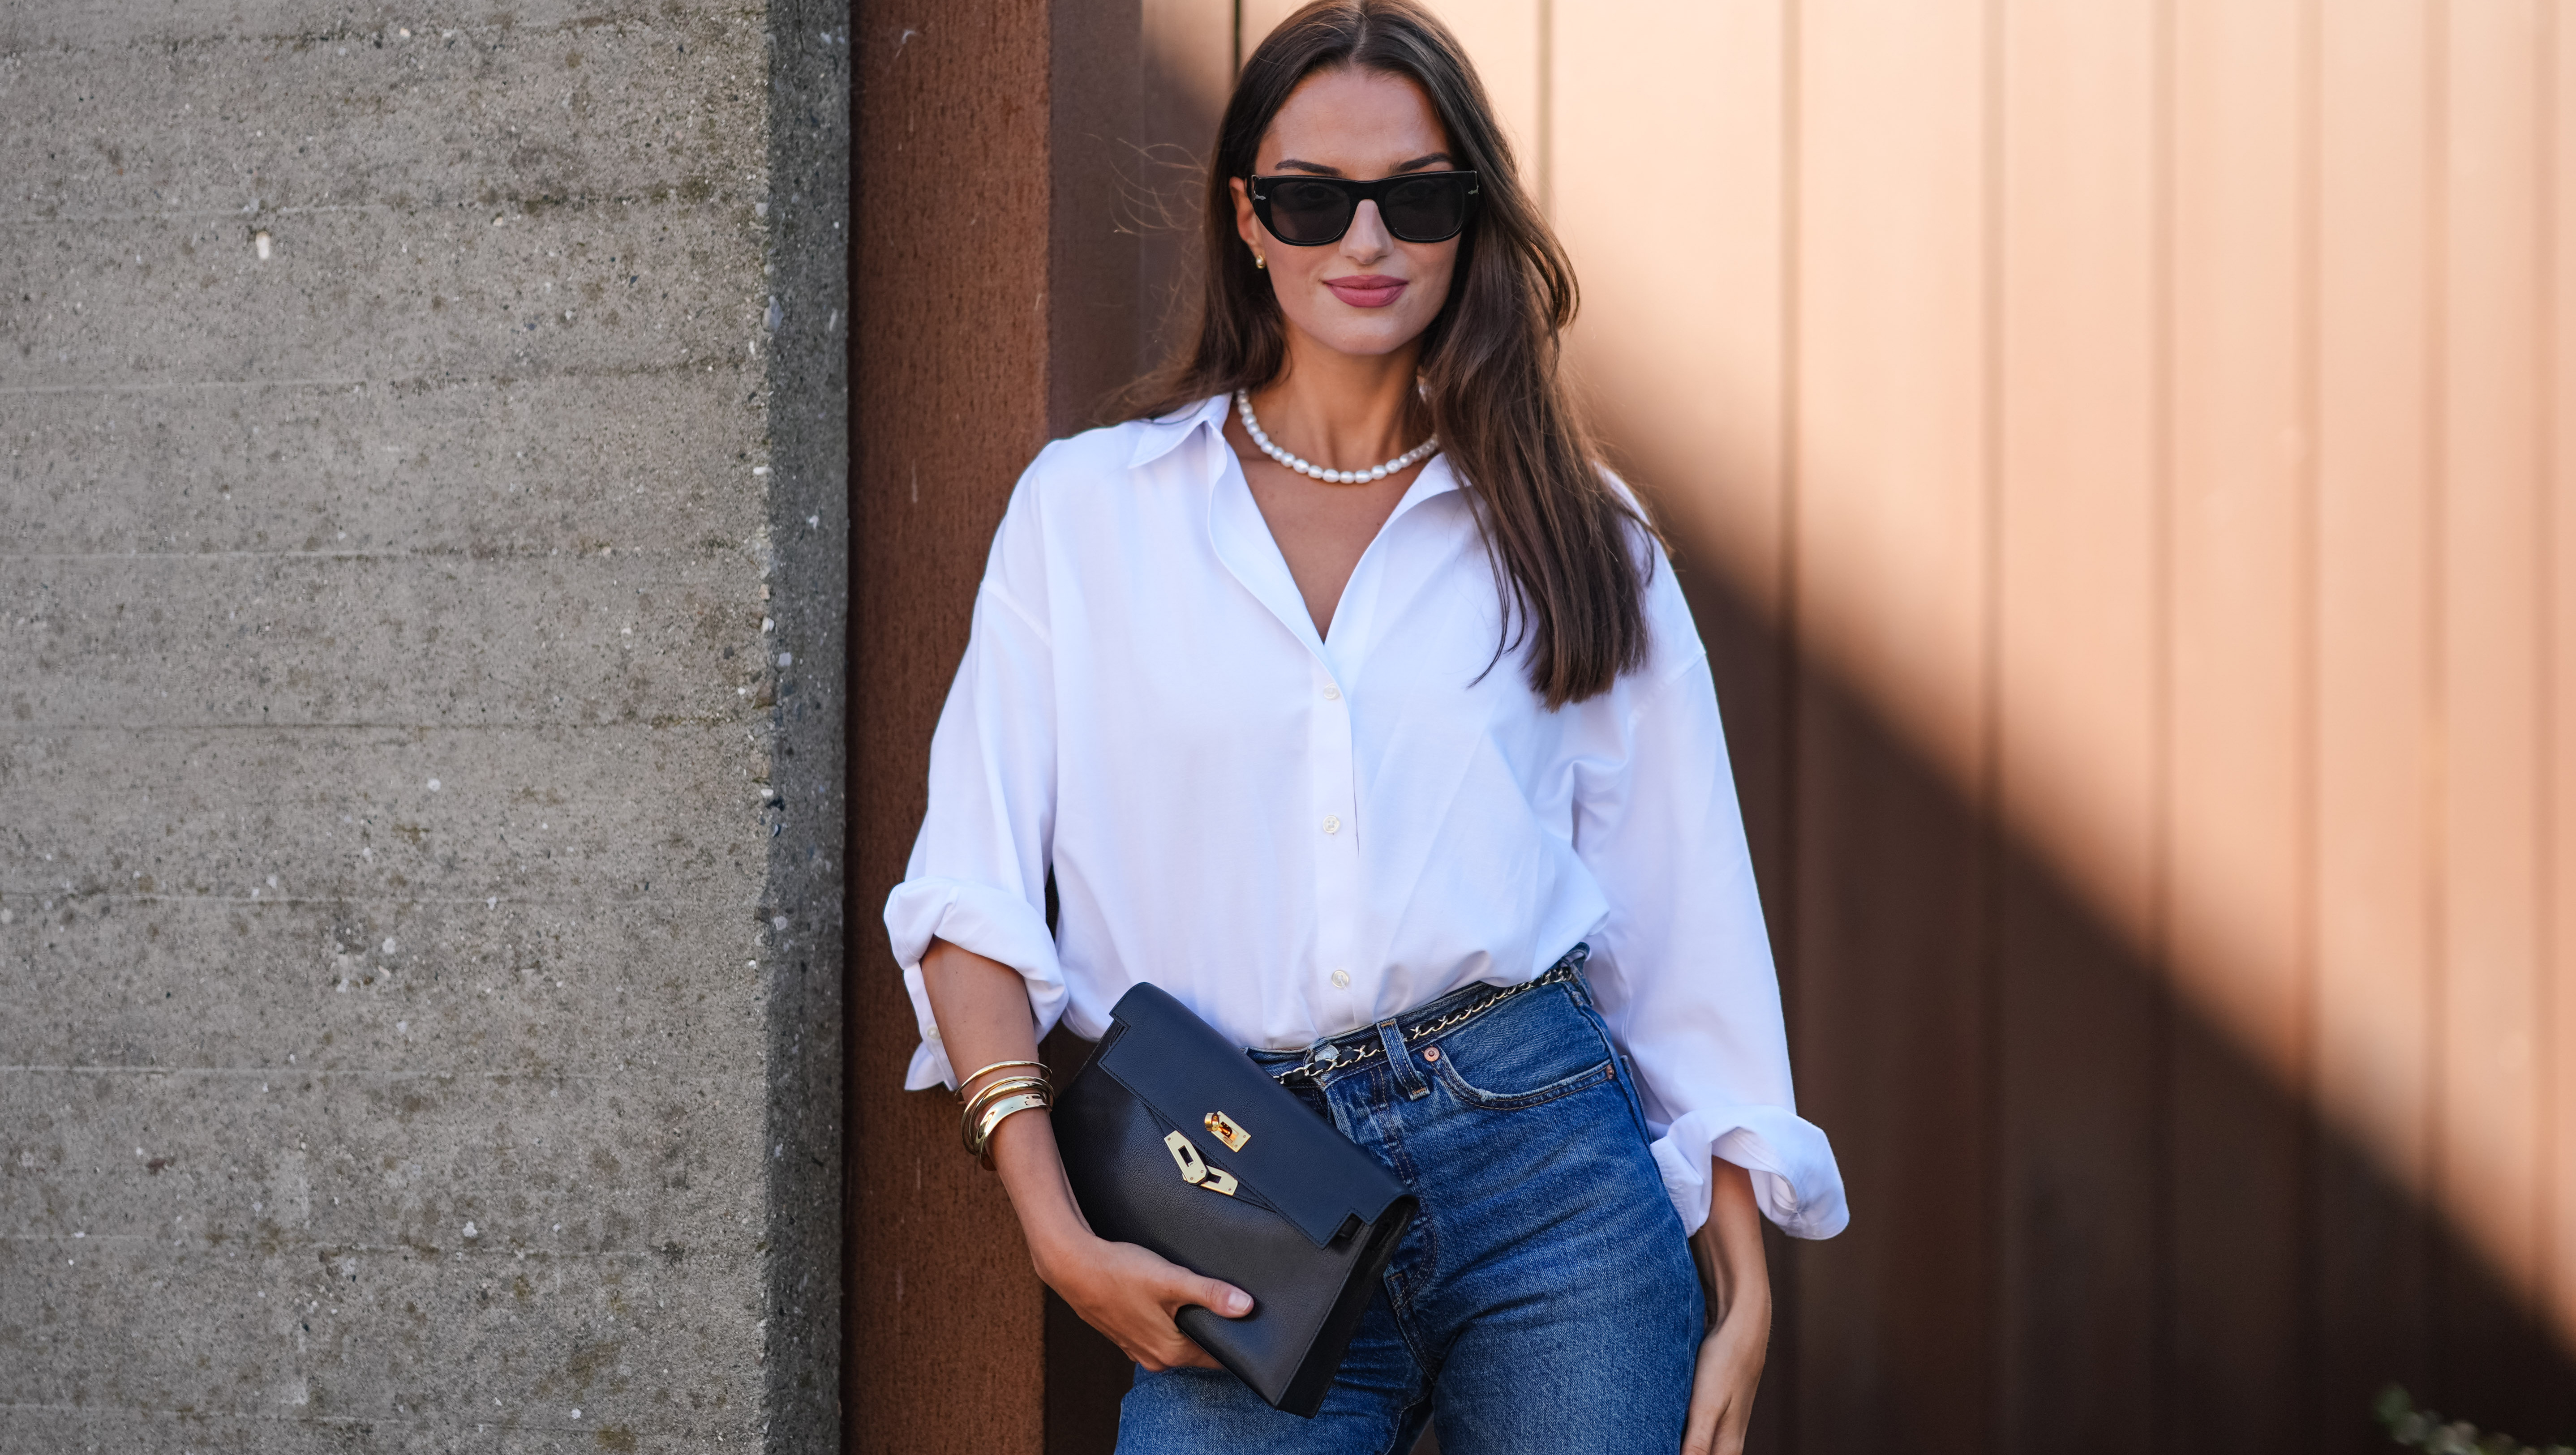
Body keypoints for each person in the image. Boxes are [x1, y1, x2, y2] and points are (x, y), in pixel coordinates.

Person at [886, 3, 1847, 1451]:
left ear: (1472, 217)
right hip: (1233, 1189)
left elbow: (1680, 901)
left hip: (1550, 1184)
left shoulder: (1579, 532)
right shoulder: (1089, 518)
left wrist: (1744, 1269)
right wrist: (1051, 1222)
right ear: (1247, 221)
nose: (1365, 240)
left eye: (1417, 196)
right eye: (1311, 199)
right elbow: (969, 895)